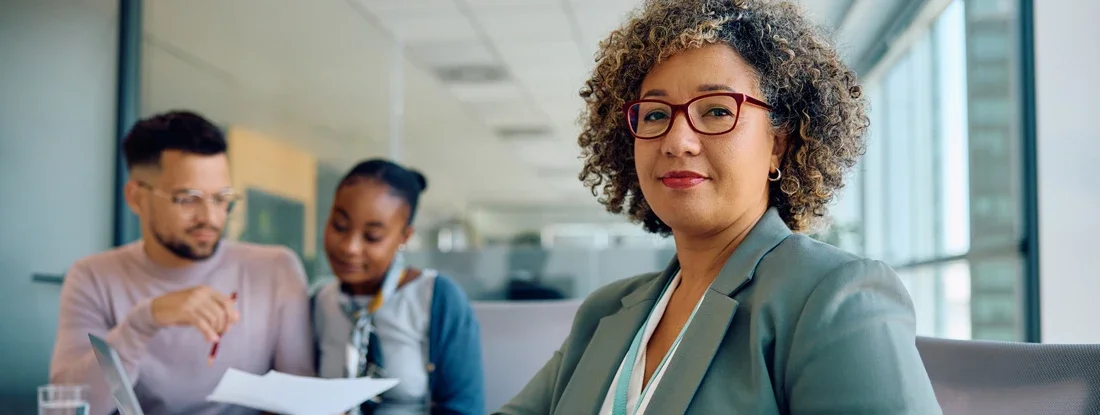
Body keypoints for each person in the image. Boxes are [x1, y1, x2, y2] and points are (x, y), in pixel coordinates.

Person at [496, 0, 941, 414]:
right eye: (655, 115)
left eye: (715, 111)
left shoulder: (833, 296)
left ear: (778, 145)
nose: (676, 141)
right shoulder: (605, 310)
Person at [49, 111, 314, 415]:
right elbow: (67, 407)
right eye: (188, 199)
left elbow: (299, 399)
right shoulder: (93, 277)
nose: (211, 218)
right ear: (136, 198)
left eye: (221, 198)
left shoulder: (276, 271)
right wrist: (142, 322)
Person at [311, 159, 484, 415]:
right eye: (340, 226)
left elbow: (464, 409)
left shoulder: (437, 298)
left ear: (404, 237)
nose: (349, 247)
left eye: (372, 237)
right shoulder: (320, 301)